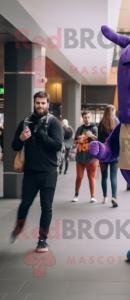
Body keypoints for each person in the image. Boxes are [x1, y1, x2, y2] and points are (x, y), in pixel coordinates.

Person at [11, 91, 63, 252]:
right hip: (31, 172)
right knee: (25, 203)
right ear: (34, 103)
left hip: (49, 171)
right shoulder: (25, 122)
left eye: (43, 103)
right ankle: (18, 227)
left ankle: (42, 240)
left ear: (48, 104)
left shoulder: (53, 122)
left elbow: (58, 145)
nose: (40, 106)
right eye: (38, 103)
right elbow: (14, 146)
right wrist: (21, 139)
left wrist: (40, 134)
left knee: (46, 206)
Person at [73, 111, 98, 203]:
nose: (86, 119)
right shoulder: (80, 128)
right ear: (82, 118)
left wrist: (91, 135)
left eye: (88, 117)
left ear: (90, 117)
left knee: (91, 177)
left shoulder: (94, 127)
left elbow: (98, 140)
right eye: (85, 117)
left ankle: (92, 196)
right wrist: (79, 139)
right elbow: (74, 141)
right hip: (80, 157)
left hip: (91, 157)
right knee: (79, 177)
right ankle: (76, 194)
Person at [98, 105, 119, 207]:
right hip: (115, 155)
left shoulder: (101, 124)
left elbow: (99, 140)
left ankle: (105, 197)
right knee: (114, 177)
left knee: (104, 177)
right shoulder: (117, 123)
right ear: (112, 112)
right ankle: (114, 197)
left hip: (103, 155)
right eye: (114, 111)